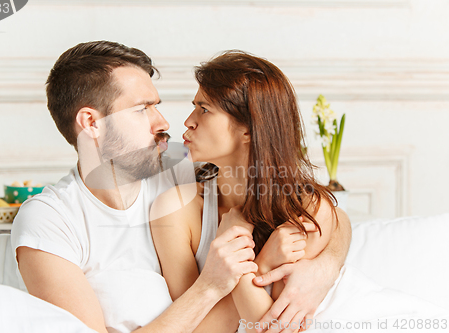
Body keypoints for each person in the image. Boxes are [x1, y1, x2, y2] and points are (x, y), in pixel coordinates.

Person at [11, 41, 259, 333]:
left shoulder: (185, 173)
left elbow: (304, 200)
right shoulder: (50, 221)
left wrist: (323, 264)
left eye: (156, 106)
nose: (163, 122)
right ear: (91, 123)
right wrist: (209, 288)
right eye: (142, 109)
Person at [150, 51, 352, 333]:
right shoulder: (175, 209)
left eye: (204, 109)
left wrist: (242, 263)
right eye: (194, 106)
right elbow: (195, 327)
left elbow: (274, 328)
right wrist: (262, 263)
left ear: (247, 129)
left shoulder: (308, 211)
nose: (188, 121)